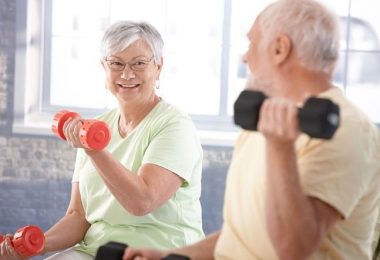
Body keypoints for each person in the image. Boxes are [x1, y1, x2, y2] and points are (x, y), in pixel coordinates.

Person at [122, 0, 380, 259]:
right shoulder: (263, 123)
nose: (246, 56)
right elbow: (239, 240)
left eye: (251, 43)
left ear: (280, 49)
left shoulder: (347, 129)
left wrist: (280, 147)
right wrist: (171, 256)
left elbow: (293, 249)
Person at [0, 21, 204, 260]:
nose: (127, 74)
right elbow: (77, 217)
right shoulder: (95, 127)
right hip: (96, 251)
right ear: (104, 67)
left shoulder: (174, 126)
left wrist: (95, 151)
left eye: (139, 63)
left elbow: (142, 202)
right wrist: (34, 247)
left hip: (159, 252)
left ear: (158, 67)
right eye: (116, 63)